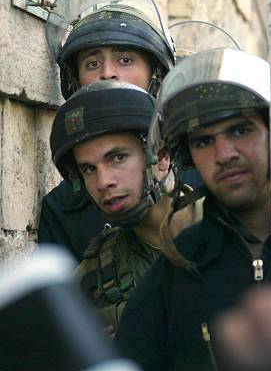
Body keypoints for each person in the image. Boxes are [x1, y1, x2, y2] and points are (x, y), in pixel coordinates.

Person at [115, 48, 271, 371]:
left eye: (240, 129)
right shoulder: (178, 266)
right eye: (204, 141)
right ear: (189, 156)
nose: (224, 154)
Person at [49, 80, 201, 335]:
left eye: (117, 158)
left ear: (162, 159)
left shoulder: (233, 231)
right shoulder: (93, 274)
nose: (103, 182)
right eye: (89, 169)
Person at [38, 0, 176, 262]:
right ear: (75, 82)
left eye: (125, 60)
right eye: (92, 63)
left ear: (157, 77)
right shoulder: (63, 208)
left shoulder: (201, 173)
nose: (108, 73)